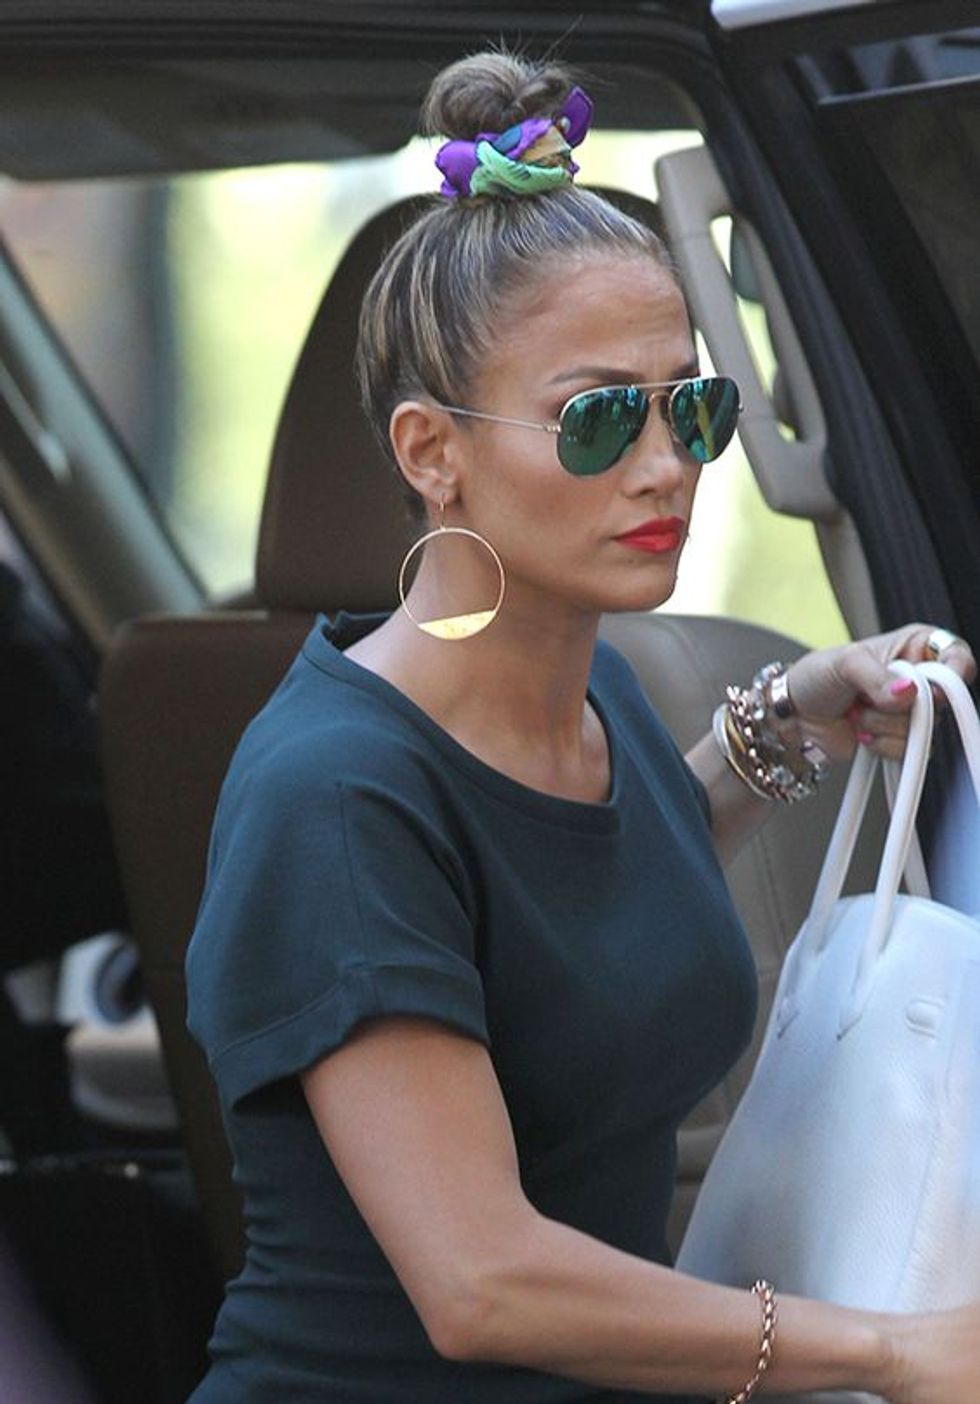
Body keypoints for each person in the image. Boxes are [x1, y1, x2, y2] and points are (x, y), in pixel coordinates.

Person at [185, 51, 980, 1403]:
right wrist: (892, 1352)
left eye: (696, 407)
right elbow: (482, 1282)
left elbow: (567, 911)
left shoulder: (584, 685)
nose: (668, 466)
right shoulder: (338, 792)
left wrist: (794, 719)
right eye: (602, 417)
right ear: (431, 451)